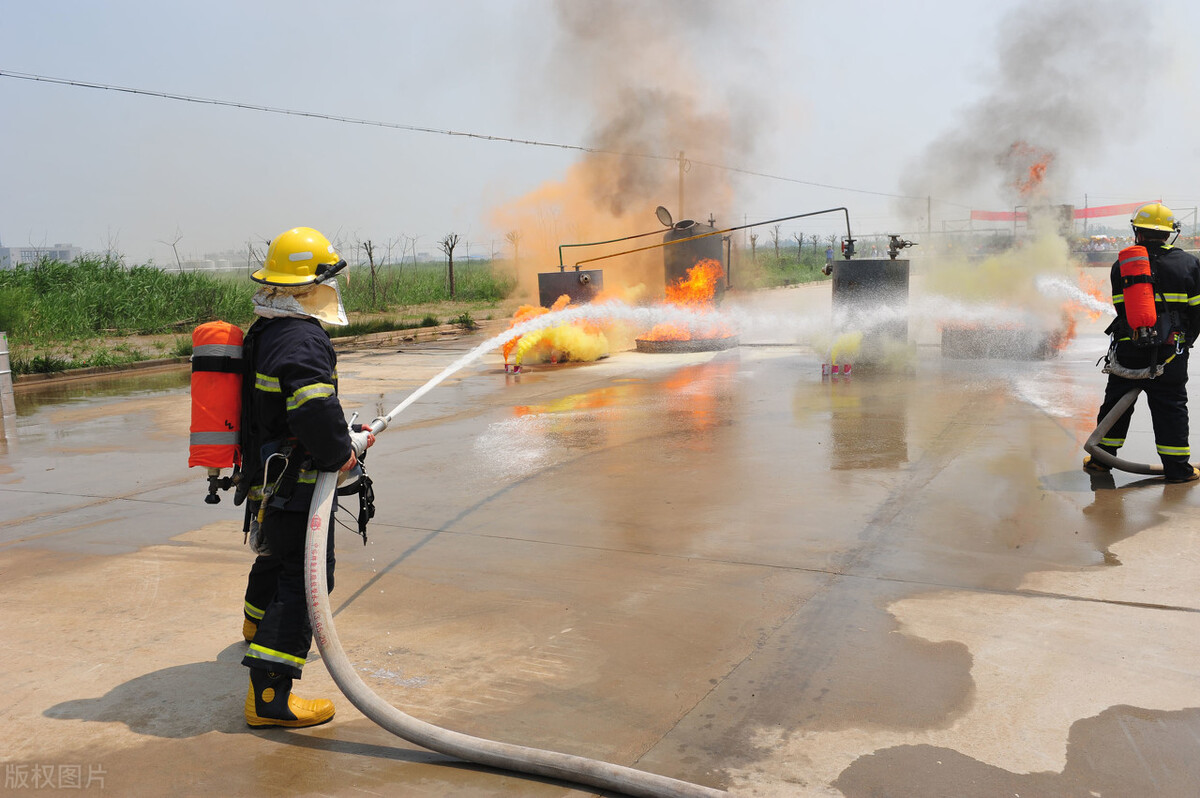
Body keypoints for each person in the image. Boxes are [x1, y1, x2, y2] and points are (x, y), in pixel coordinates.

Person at [236, 227, 374, 727]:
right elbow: (313, 408)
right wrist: (343, 451)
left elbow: (291, 407)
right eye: (328, 277)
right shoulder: (302, 336)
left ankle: (255, 628)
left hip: (270, 474)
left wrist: (342, 433)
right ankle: (269, 698)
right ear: (309, 284)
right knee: (308, 580)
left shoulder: (269, 327)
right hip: (294, 480)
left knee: (276, 560)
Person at [1086, 203, 1200, 483]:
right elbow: (1197, 312)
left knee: (1116, 404)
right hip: (1170, 352)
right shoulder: (1189, 264)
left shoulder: (1121, 265)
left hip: (1128, 349)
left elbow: (1121, 309)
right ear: (1170, 233)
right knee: (1171, 407)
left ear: (1137, 231)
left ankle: (1101, 461)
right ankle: (1177, 470)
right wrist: (1186, 343)